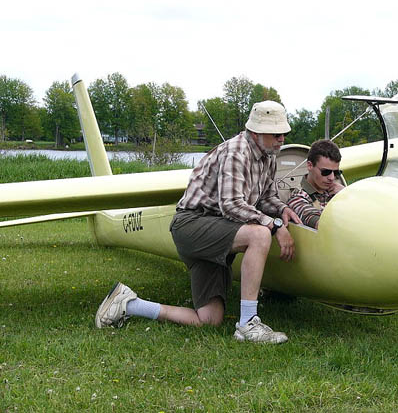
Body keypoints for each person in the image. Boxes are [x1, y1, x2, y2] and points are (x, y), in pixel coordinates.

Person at [95, 100, 302, 344]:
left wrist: (284, 209)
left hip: (217, 230)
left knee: (209, 319)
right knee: (259, 234)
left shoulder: (268, 156)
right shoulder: (237, 152)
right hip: (193, 224)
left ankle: (129, 304)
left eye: (284, 134)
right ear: (256, 132)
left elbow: (266, 197)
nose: (282, 140)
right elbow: (232, 204)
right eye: (276, 134)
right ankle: (248, 324)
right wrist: (274, 225)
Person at [286, 140, 344, 229]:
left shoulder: (339, 191)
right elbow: (320, 224)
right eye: (326, 172)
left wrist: (346, 194)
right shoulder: (298, 198)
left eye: (336, 172)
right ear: (310, 165)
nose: (331, 178)